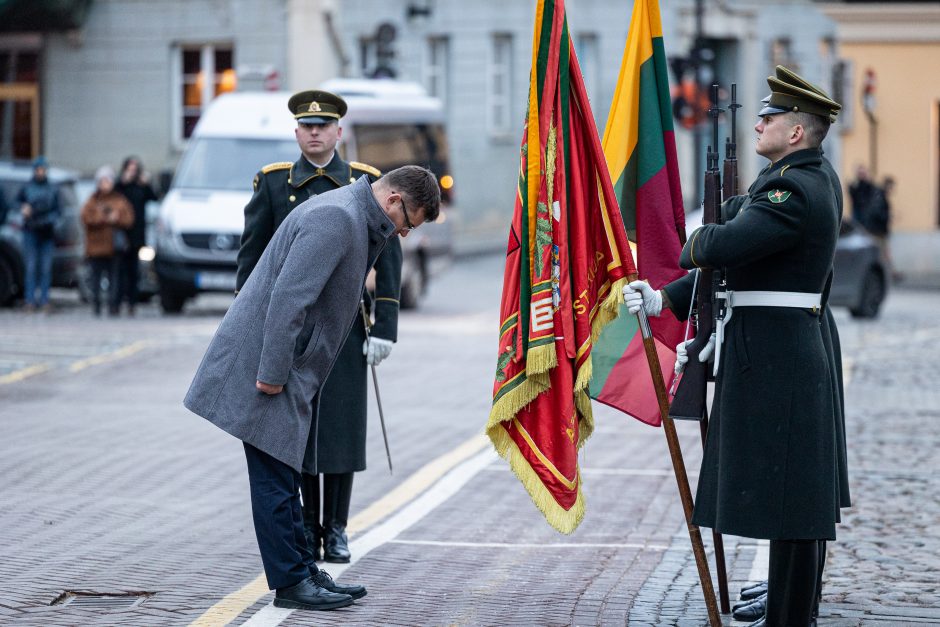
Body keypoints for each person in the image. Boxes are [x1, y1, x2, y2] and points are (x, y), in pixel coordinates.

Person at [625, 66, 843, 627]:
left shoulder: (791, 187)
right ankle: (789, 603)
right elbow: (736, 263)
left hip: (781, 355)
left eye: (770, 117)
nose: (760, 123)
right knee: (791, 491)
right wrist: (664, 300)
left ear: (795, 131)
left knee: (794, 495)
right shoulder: (796, 177)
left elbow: (725, 245)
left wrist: (697, 232)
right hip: (776, 348)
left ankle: (792, 614)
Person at [185, 165, 439, 612]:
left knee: (284, 474)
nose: (402, 233)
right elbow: (289, 300)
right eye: (408, 223)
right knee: (276, 478)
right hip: (271, 366)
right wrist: (272, 374)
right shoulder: (338, 219)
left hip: (286, 365)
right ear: (395, 199)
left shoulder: (351, 217)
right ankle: (291, 583)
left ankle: (301, 572)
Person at [235, 89, 404, 564]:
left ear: (338, 132)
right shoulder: (273, 184)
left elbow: (390, 257)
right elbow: (251, 264)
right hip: (290, 331)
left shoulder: (366, 182)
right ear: (296, 133)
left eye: (323, 125)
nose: (314, 132)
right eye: (307, 126)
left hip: (347, 325)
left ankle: (338, 526)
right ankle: (307, 526)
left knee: (342, 426)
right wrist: (248, 327)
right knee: (298, 427)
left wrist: (386, 325)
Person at [80, 166, 135, 316]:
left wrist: (117, 218)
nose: (105, 184)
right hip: (96, 247)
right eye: (102, 181)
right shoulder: (92, 200)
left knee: (114, 279)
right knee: (96, 279)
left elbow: (129, 219)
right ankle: (96, 306)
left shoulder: (119, 199)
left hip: (113, 247)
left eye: (107, 180)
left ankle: (112, 306)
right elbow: (85, 217)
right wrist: (103, 218)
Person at [16, 156, 61, 312]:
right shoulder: (27, 187)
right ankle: (30, 299)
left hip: (46, 232)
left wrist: (49, 220)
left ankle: (44, 300)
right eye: (38, 170)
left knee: (45, 268)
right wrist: (24, 209)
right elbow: (16, 204)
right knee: (31, 267)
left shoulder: (52, 188)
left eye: (43, 170)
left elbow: (58, 211)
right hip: (30, 231)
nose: (40, 172)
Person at [114, 156, 158, 315]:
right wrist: (122, 181)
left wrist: (148, 183)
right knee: (119, 270)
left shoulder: (141, 186)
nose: (132, 172)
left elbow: (154, 197)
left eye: (135, 169)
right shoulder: (121, 186)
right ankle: (116, 302)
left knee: (134, 271)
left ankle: (132, 303)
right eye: (129, 169)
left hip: (137, 235)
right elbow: (112, 195)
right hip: (121, 233)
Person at [848, 164, 876, 230]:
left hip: (867, 210)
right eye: (860, 173)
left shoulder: (869, 185)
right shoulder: (854, 184)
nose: (862, 175)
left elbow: (872, 195)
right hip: (856, 209)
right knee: (856, 228)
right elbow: (851, 194)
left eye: (863, 173)